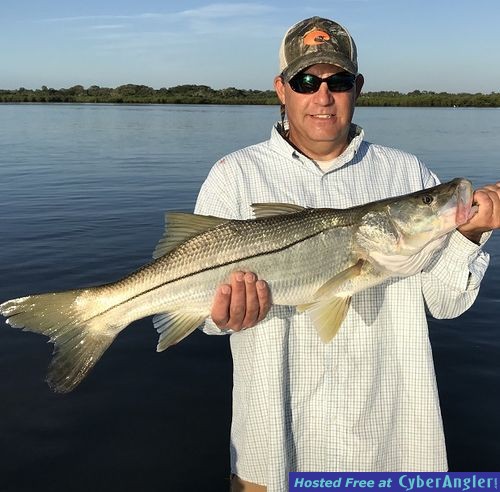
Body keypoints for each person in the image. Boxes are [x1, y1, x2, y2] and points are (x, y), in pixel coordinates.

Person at [195, 16, 500, 492]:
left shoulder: (407, 173)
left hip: (393, 448)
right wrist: (223, 314)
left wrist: (470, 235)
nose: (323, 96)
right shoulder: (233, 176)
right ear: (281, 88)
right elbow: (209, 320)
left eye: (337, 81)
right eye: (306, 81)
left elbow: (446, 304)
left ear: (357, 87)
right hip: (275, 452)